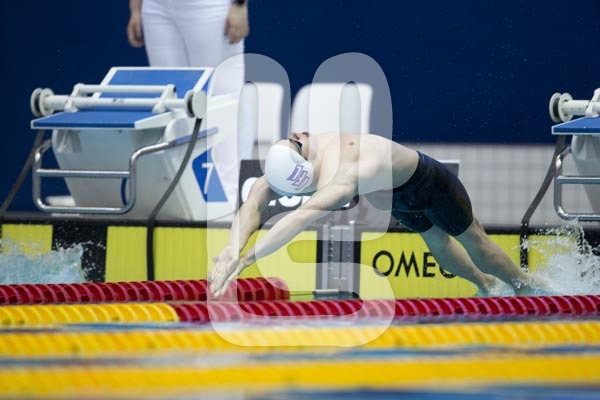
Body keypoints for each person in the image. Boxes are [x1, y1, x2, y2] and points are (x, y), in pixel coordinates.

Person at [209, 131, 549, 297]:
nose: (299, 135)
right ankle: (486, 285)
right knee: (438, 244)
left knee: (475, 242)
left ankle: (527, 285)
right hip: (397, 199)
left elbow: (297, 218)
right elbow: (252, 205)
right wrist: (231, 248)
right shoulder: (286, 161)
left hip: (427, 182)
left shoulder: (342, 172)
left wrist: (247, 259)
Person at [126, 0, 252, 209]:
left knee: (222, 100)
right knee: (172, 100)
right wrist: (136, 9)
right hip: (156, 7)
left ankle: (232, 197)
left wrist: (239, 6)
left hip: (209, 7)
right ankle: (181, 197)